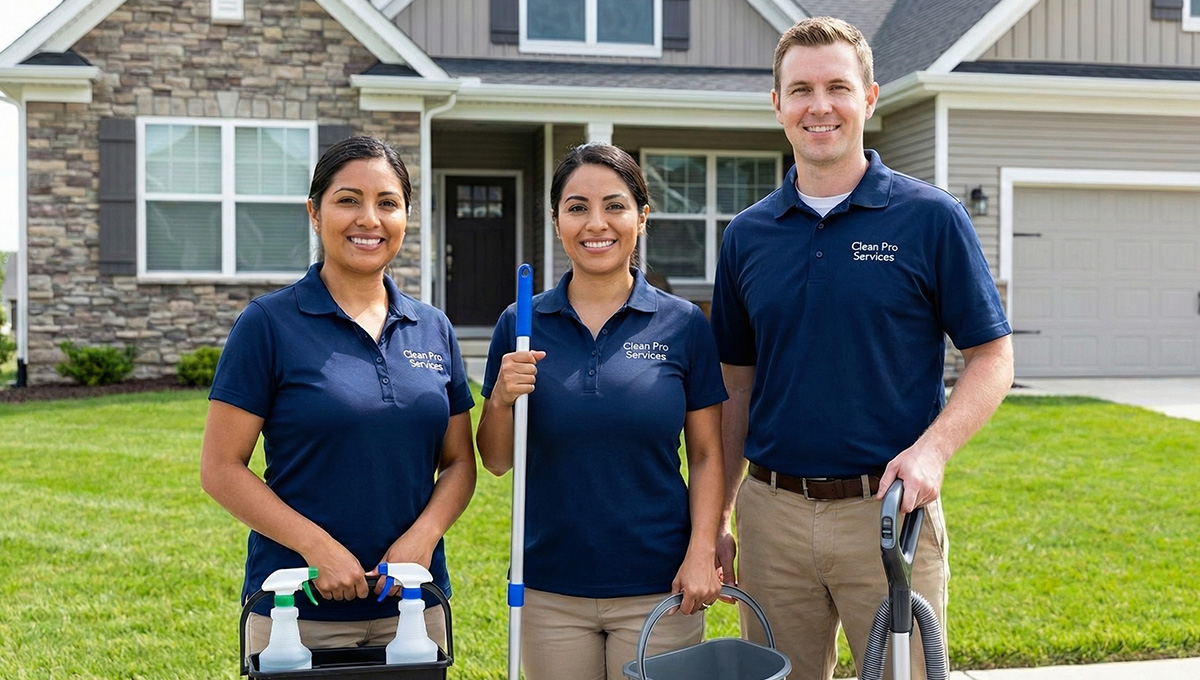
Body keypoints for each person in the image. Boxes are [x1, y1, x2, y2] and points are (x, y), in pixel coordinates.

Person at [710, 17, 1014, 680]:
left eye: (838, 87)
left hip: (888, 513)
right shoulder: (747, 237)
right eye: (801, 90)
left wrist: (933, 453)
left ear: (869, 99)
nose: (820, 106)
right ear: (778, 106)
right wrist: (719, 513)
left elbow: (993, 357)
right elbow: (736, 382)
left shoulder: (929, 219)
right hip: (771, 520)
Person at [200, 136, 476, 659]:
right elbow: (221, 468)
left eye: (387, 203)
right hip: (295, 611)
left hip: (415, 607)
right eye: (348, 199)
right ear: (314, 211)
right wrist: (317, 550)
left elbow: (460, 462)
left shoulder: (433, 328)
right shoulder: (267, 324)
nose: (368, 219)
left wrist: (424, 537)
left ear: (405, 216)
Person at [476, 143, 726, 680]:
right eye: (577, 207)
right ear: (556, 220)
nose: (597, 224)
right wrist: (500, 398)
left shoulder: (683, 325)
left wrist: (702, 549)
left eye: (614, 205)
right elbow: (496, 461)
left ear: (642, 215)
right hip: (549, 588)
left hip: (662, 586)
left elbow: (707, 454)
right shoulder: (519, 324)